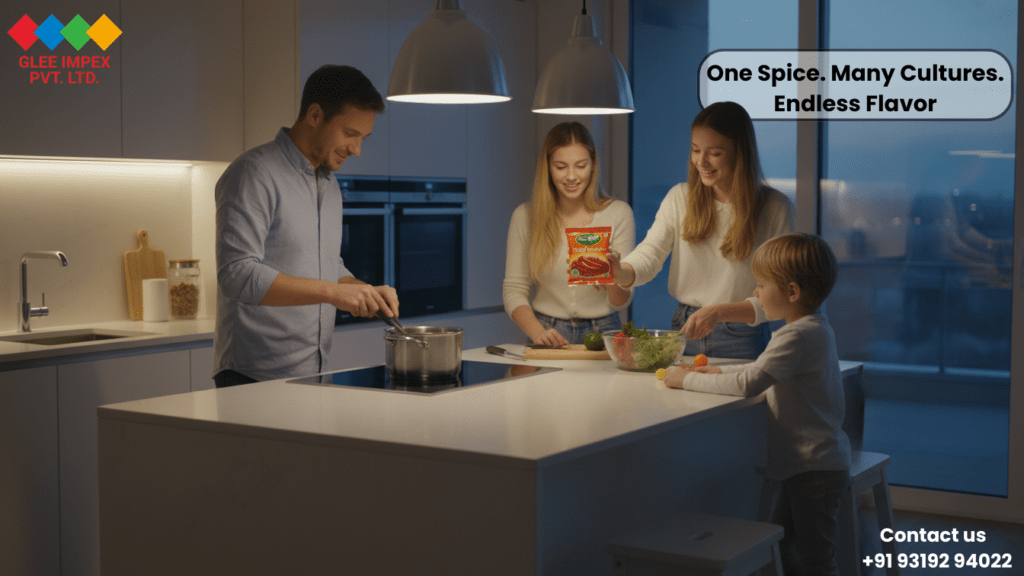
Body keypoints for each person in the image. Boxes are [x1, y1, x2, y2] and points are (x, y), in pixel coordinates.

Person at [664, 232, 852, 576]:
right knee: (783, 547)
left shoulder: (795, 336)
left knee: (816, 561)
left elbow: (751, 383)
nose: (754, 293)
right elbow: (766, 371)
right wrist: (720, 368)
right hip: (810, 467)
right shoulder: (813, 327)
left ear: (792, 292)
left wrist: (686, 378)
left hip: (813, 471)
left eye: (761, 284)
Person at [213, 64, 399, 387]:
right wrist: (332, 292)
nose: (356, 150)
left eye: (362, 139)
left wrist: (359, 290)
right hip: (253, 378)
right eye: (349, 134)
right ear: (314, 116)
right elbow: (237, 273)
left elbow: (326, 263)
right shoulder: (254, 173)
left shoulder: (329, 187)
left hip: (315, 371)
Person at [608, 101, 793, 359]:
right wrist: (620, 271)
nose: (701, 161)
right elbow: (650, 254)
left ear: (740, 153)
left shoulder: (775, 208)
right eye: (696, 150)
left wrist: (718, 312)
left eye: (714, 153)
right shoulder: (679, 198)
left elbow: (779, 297)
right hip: (685, 329)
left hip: (743, 338)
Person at [503, 122, 635, 347]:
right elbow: (513, 290)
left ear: (593, 165)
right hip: (546, 329)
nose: (571, 176)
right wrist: (538, 333)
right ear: (547, 167)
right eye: (561, 166)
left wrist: (613, 277)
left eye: (581, 165)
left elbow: (622, 301)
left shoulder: (618, 213)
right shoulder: (525, 216)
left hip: (604, 330)